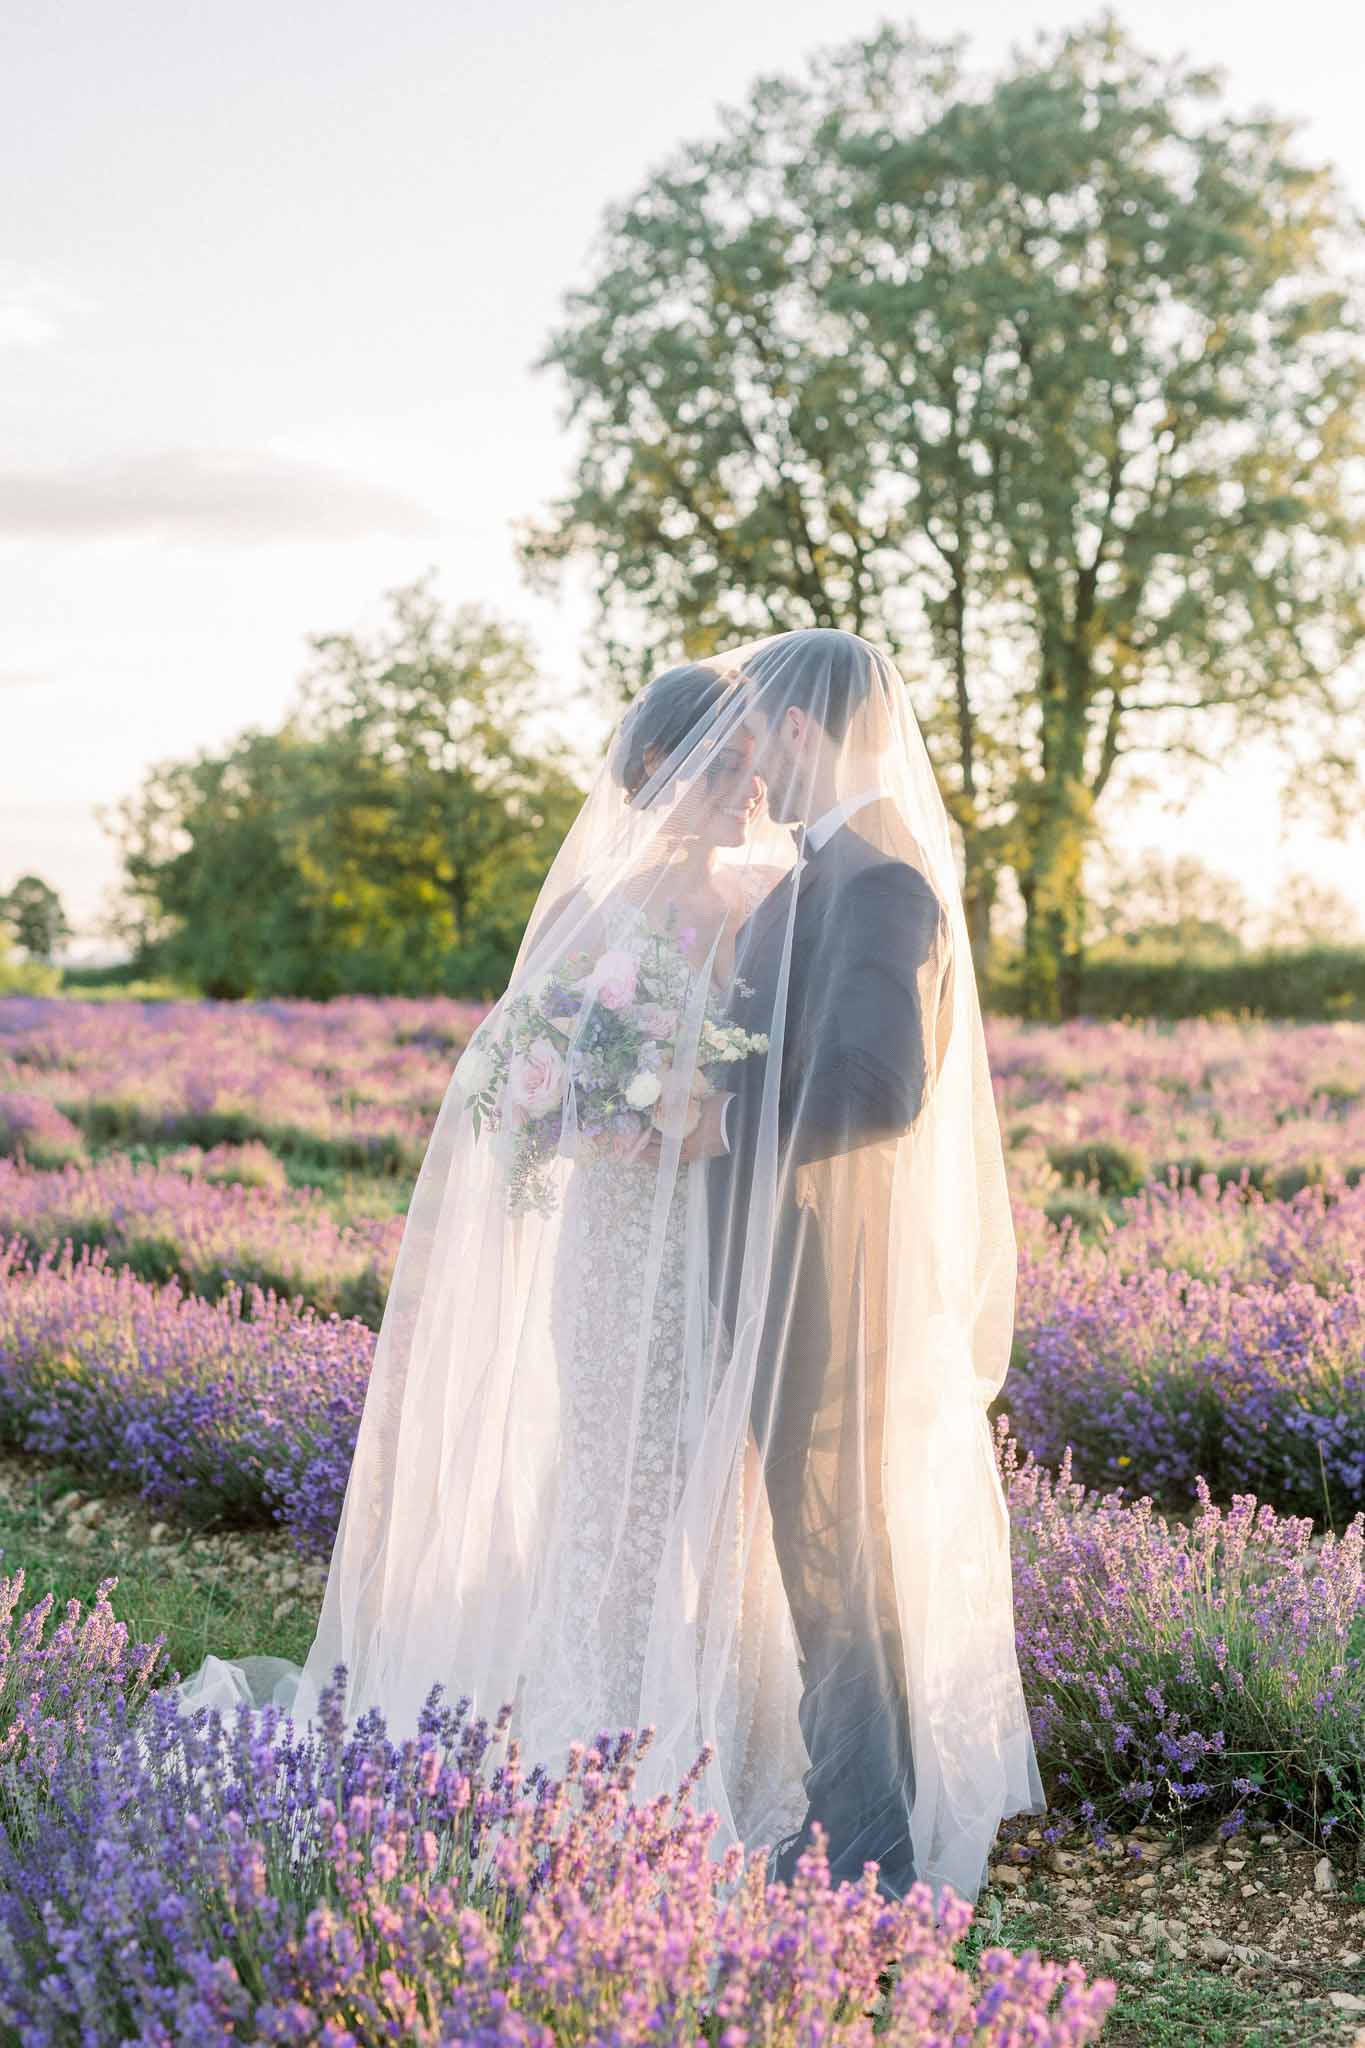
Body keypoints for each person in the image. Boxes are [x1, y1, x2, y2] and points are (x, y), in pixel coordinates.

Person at [171, 629, 1042, 1909]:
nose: (744, 779)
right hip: (643, 1244)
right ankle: (620, 1757)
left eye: (756, 751)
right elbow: (523, 1069)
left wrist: (708, 1112)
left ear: (793, 740)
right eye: (719, 758)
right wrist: (615, 1100)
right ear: (662, 769)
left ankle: (825, 1817)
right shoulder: (666, 902)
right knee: (632, 1510)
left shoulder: (823, 888)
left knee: (764, 1537)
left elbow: (853, 1082)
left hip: (741, 1266)